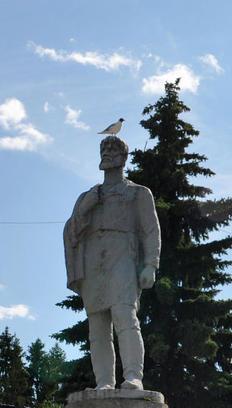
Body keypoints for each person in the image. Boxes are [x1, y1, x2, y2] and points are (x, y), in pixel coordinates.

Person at [64, 135, 160, 390]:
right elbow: (72, 232)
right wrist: (85, 208)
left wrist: (151, 264)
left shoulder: (138, 193)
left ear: (123, 157)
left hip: (123, 259)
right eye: (103, 148)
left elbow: (150, 230)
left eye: (113, 148)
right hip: (93, 263)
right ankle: (104, 382)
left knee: (125, 317)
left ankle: (133, 377)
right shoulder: (88, 196)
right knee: (97, 328)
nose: (107, 152)